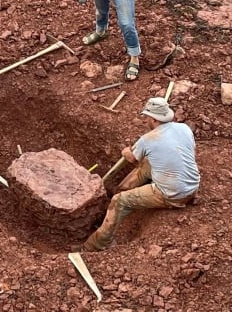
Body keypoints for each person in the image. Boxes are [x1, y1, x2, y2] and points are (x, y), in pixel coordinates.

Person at [73, 97, 200, 252]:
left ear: (154, 120)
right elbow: (186, 152)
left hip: (173, 194)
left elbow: (132, 158)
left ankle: (97, 244)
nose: (145, 120)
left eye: (146, 117)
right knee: (147, 162)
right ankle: (122, 190)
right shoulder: (184, 128)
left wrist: (126, 152)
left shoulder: (147, 140)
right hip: (192, 185)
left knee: (119, 201)